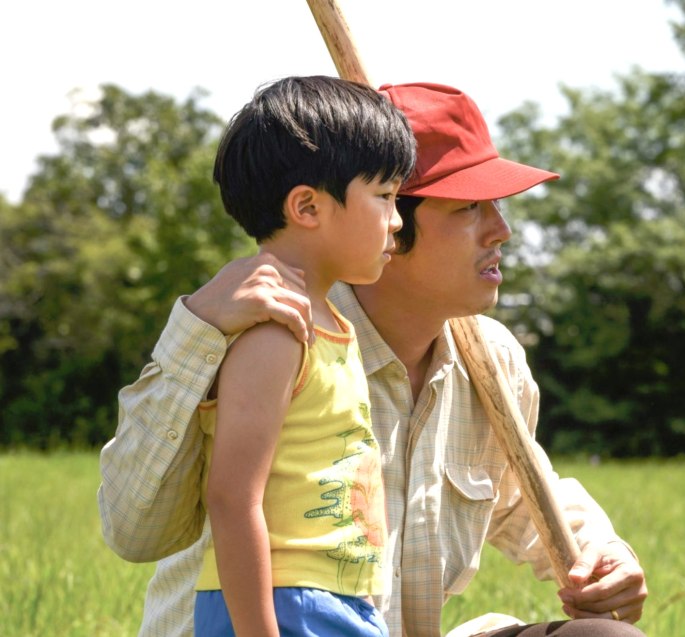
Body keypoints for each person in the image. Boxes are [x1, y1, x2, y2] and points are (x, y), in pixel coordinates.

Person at [98, 82, 648, 637]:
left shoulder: (493, 359)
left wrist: (602, 555)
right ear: (392, 219)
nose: (501, 230)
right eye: (468, 208)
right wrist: (195, 330)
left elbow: (518, 495)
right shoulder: (270, 329)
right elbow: (133, 530)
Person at [190, 75, 415, 636]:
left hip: (334, 600)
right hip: (285, 604)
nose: (398, 220)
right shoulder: (276, 334)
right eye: (385, 196)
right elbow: (232, 497)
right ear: (308, 206)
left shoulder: (331, 324)